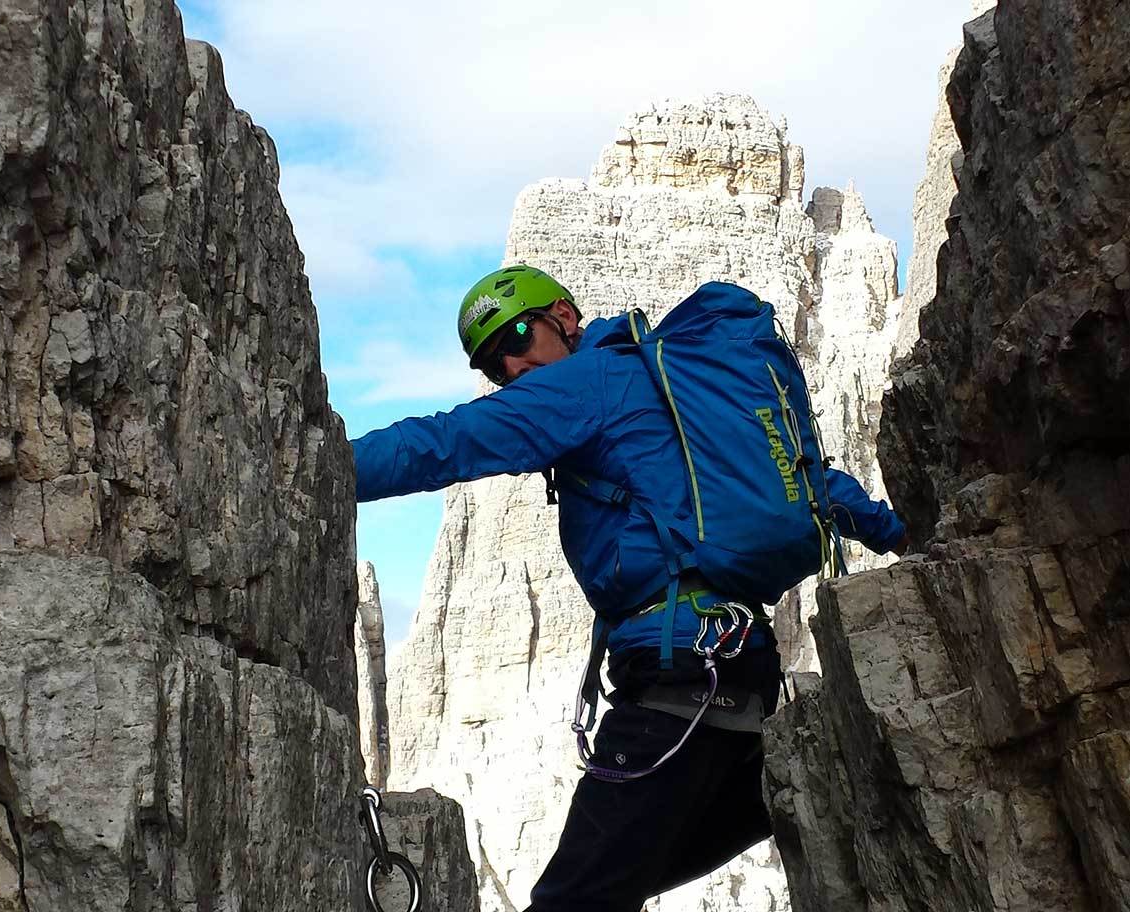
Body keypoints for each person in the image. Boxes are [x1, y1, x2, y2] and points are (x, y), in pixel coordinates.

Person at [350, 264, 908, 912]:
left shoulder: (585, 384)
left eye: (516, 335)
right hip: (741, 677)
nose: (509, 366)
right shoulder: (664, 384)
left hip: (679, 681)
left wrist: (328, 458)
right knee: (621, 879)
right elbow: (818, 487)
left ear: (564, 315)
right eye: (492, 365)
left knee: (573, 900)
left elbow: (445, 443)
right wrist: (901, 532)